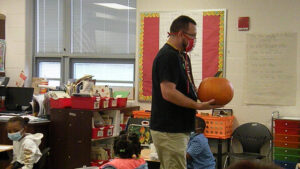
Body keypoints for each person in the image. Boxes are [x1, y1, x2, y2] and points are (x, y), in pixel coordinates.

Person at [150, 15, 222, 169]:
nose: (194, 40)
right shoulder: (167, 56)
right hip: (169, 129)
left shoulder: (181, 56)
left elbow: (187, 88)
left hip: (179, 128)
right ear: (181, 34)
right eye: (193, 36)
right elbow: (168, 92)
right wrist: (198, 106)